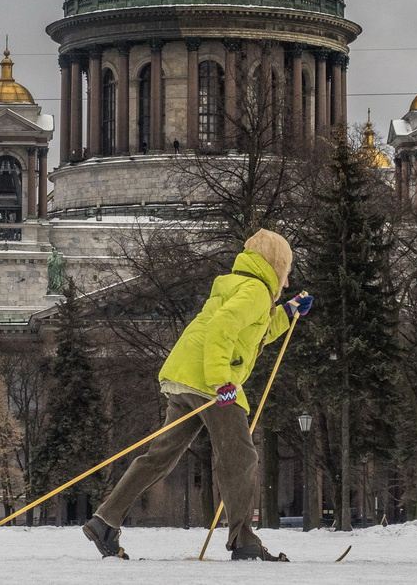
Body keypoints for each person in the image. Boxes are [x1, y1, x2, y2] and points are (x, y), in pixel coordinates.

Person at [83, 229, 314, 561]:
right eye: (286, 271)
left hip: (183, 375)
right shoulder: (256, 292)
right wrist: (222, 382)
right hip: (209, 382)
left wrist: (289, 312)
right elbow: (223, 327)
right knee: (240, 457)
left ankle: (105, 520)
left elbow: (253, 330)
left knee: (159, 457)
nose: (287, 282)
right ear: (274, 265)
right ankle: (244, 540)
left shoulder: (240, 286)